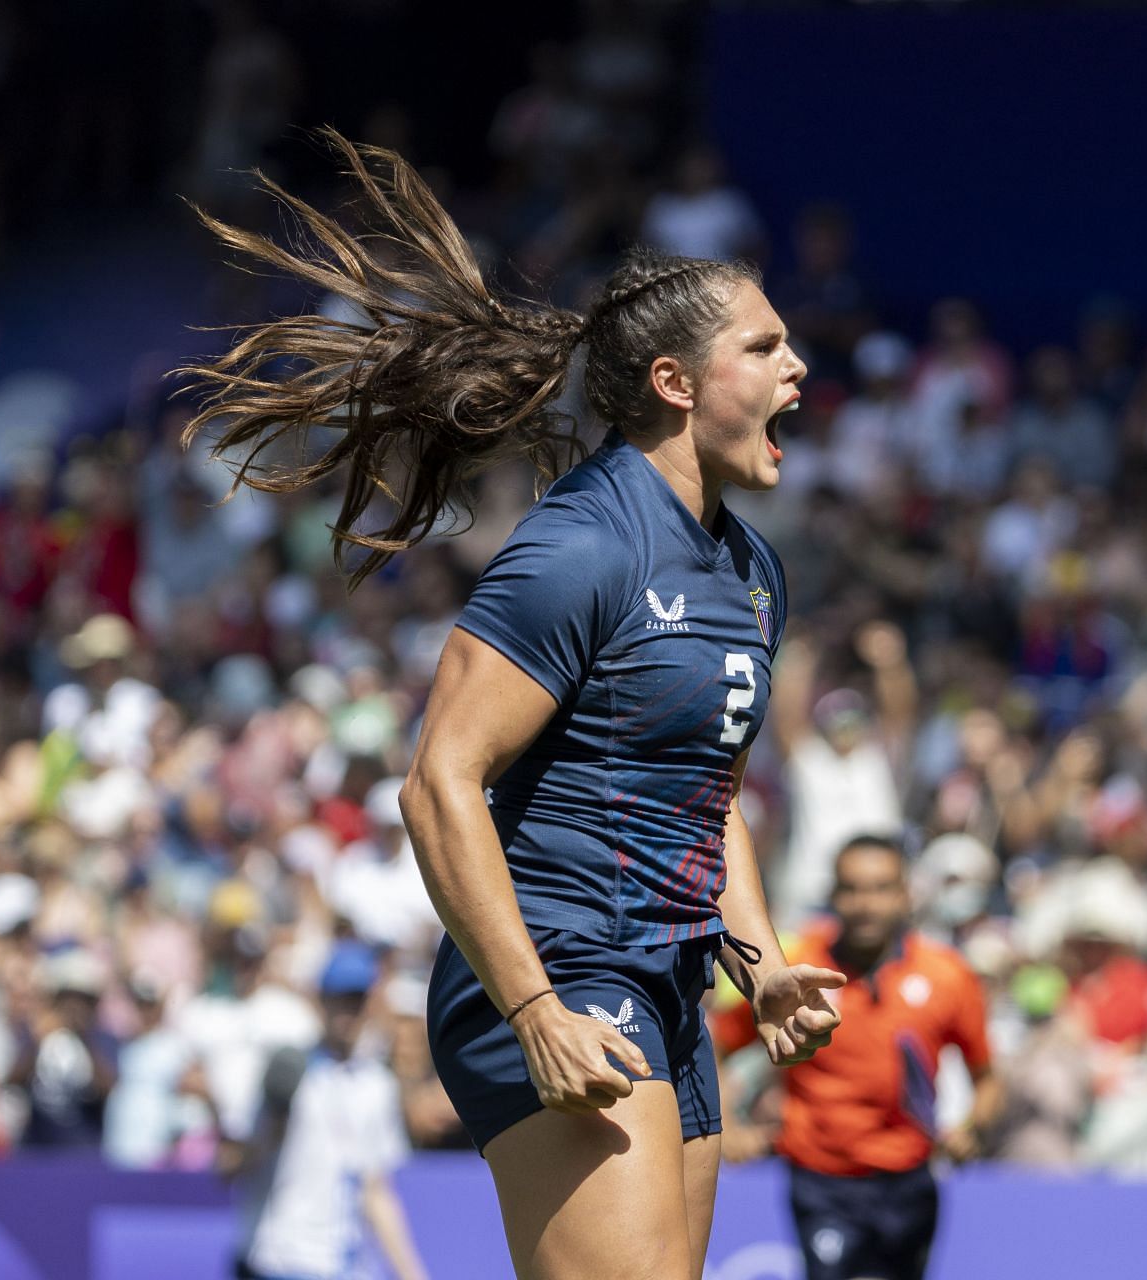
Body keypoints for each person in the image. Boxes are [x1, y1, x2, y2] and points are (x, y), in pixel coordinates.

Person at [180, 131, 843, 1280]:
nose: (798, 369)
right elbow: (438, 782)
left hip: (671, 980)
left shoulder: (752, 573)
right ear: (675, 383)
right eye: (766, 345)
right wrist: (531, 1002)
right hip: (557, 966)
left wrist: (760, 958)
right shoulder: (578, 547)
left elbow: (704, 795)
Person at [714, 836, 1002, 1280]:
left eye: (881, 888)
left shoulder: (948, 975)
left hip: (911, 1179)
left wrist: (973, 1128)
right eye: (852, 889)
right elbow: (716, 1043)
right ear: (833, 896)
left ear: (906, 894)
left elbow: (987, 1078)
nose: (865, 904)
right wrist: (730, 1126)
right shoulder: (796, 967)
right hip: (822, 1181)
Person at [228, 943, 428, 1280]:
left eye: (356, 1000)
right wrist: (272, 1120)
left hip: (344, 1265)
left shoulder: (376, 1085)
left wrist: (412, 1273)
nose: (348, 1012)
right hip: (280, 1258)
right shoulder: (290, 1069)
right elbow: (236, 1165)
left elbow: (375, 1189)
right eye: (340, 999)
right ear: (322, 1001)